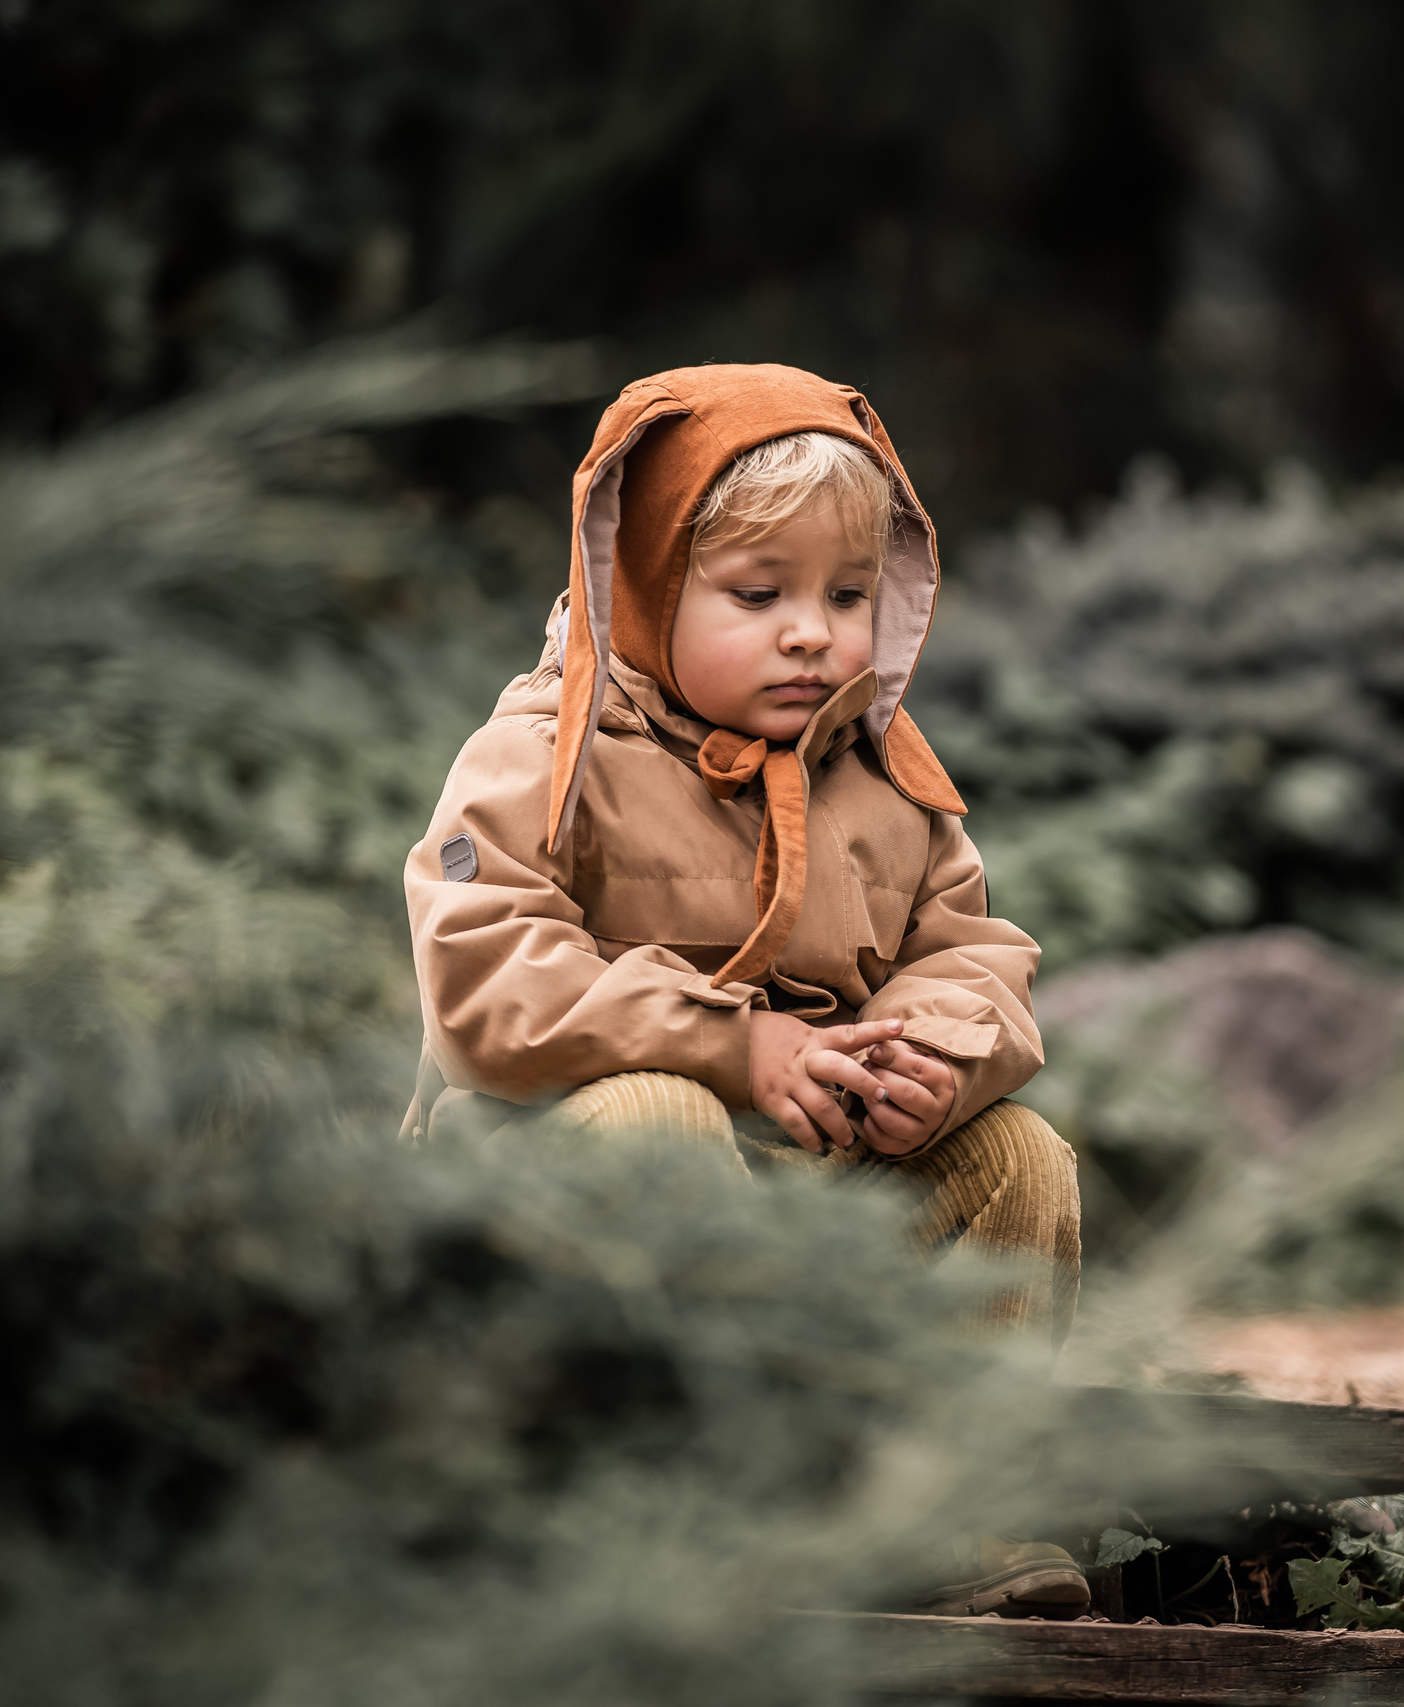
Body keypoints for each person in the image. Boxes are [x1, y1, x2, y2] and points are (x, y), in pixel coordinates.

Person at [399, 364, 1088, 1618]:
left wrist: (929, 1059)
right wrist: (733, 1046)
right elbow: (487, 974)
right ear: (648, 587)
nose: (811, 633)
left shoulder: (887, 782)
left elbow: (969, 953)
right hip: (553, 1189)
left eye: (847, 595)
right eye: (758, 594)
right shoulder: (543, 759)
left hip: (810, 1177)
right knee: (656, 1114)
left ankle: (946, 1510)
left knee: (1018, 1155)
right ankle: (671, 1508)